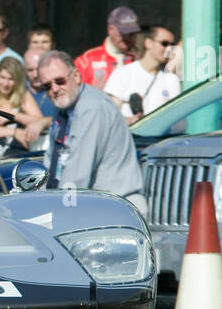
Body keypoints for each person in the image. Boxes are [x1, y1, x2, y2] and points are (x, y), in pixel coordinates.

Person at [36, 50, 145, 212]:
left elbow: (78, 174)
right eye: (47, 86)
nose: (55, 89)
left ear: (76, 76)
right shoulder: (64, 107)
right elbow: (51, 161)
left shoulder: (91, 107)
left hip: (116, 210)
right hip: (90, 206)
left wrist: (55, 211)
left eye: (60, 81)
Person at [104, 23, 182, 124]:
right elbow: (109, 115)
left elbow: (176, 116)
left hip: (162, 137)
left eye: (172, 45)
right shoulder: (123, 74)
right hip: (132, 137)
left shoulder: (171, 79)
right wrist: (130, 121)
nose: (169, 49)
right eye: (164, 43)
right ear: (148, 43)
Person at [0, 56, 46, 156]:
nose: (6, 83)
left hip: (16, 152)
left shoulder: (23, 95)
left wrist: (13, 115)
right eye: (2, 77)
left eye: (11, 79)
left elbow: (40, 121)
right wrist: (14, 132)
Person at [75, 6, 139, 90]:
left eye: (131, 33)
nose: (127, 37)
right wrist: (92, 92)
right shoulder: (87, 61)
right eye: (123, 32)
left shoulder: (140, 59)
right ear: (110, 30)